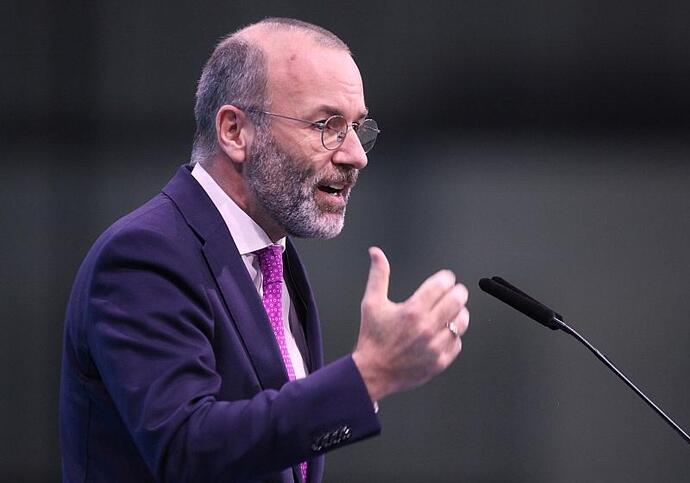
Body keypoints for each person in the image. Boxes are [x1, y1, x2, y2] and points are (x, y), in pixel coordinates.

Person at [59, 17, 470, 483]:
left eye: (357, 127)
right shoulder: (144, 256)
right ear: (235, 131)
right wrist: (368, 375)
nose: (357, 154)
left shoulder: (272, 256)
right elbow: (187, 451)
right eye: (327, 125)